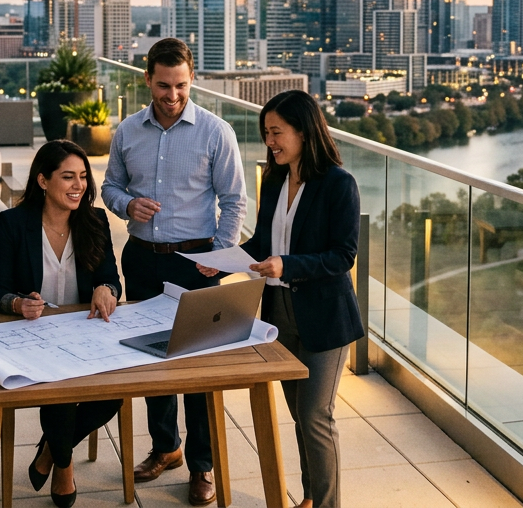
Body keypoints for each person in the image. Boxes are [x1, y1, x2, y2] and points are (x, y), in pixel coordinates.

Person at [198, 90, 362, 508]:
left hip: (325, 315)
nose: (270, 141)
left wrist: (287, 266)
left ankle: (326, 504)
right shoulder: (273, 179)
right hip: (280, 313)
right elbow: (263, 244)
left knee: (315, 417)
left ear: (304, 131)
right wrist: (224, 260)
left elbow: (343, 256)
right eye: (266, 132)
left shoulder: (339, 184)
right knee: (299, 415)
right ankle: (310, 496)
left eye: (277, 132)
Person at [100, 38, 245, 506]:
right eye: (163, 85)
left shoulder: (216, 132)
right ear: (147, 79)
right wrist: (126, 204)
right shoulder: (126, 132)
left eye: (181, 85)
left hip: (197, 263)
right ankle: (167, 447)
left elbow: (235, 202)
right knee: (150, 360)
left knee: (197, 368)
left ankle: (202, 467)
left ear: (192, 78)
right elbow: (110, 186)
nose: (172, 95)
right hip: (141, 258)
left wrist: (220, 256)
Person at [0, 140, 123, 508]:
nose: (78, 185)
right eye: (67, 177)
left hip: (85, 330)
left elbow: (112, 279)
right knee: (58, 387)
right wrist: (16, 303)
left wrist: (106, 290)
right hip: (31, 334)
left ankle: (50, 450)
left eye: (82, 177)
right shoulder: (14, 222)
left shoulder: (93, 221)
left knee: (117, 389)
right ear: (43, 180)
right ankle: (64, 466)